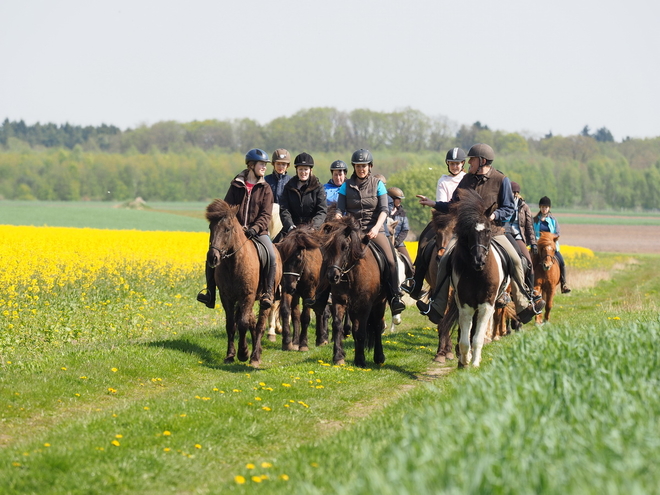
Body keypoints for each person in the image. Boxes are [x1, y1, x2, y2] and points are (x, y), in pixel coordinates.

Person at [417, 143, 545, 325]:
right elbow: (454, 205)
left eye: (472, 160)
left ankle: (523, 304)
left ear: (482, 161)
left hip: (494, 231)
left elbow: (509, 208)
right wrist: (434, 204)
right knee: (444, 258)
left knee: (516, 259)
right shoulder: (467, 180)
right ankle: (437, 305)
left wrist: (494, 215)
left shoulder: (501, 180)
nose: (468, 163)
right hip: (467, 233)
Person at [196, 148, 277, 309]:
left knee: (272, 255)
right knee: (212, 253)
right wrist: (234, 227)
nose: (264, 167)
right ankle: (210, 293)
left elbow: (266, 214)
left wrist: (255, 228)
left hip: (258, 232)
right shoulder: (236, 185)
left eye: (265, 164)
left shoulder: (266, 188)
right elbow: (226, 210)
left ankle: (268, 292)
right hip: (235, 232)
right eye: (261, 164)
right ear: (251, 165)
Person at [337, 149, 406, 316]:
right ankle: (324, 294)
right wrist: (338, 220)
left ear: (370, 166)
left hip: (375, 230)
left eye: (364, 166)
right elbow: (340, 209)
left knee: (390, 260)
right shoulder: (346, 186)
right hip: (352, 231)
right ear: (354, 167)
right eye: (358, 166)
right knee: (333, 254)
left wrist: (376, 228)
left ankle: (394, 296)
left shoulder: (378, 184)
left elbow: (384, 210)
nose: (361, 169)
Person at [402, 147, 466, 299]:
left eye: (457, 164)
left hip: (463, 220)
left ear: (463, 164)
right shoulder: (443, 180)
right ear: (447, 164)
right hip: (445, 220)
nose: (454, 166)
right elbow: (442, 203)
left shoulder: (467, 179)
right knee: (424, 240)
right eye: (452, 164)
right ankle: (416, 283)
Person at [279, 152, 327, 235]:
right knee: (275, 245)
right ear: (296, 170)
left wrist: (313, 227)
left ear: (310, 170)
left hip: (312, 228)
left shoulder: (318, 188)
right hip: (293, 228)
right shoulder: (288, 187)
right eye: (300, 169)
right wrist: (290, 225)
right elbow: (284, 210)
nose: (303, 172)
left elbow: (322, 211)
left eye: (305, 169)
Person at [533, 196, 571, 293]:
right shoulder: (535, 220)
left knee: (561, 261)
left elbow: (557, 233)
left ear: (549, 208)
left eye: (546, 207)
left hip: (551, 247)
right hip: (538, 247)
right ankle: (527, 284)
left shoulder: (553, 220)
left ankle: (564, 283)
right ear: (540, 207)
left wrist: (549, 240)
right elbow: (531, 232)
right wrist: (539, 241)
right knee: (529, 263)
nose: (544, 209)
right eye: (542, 207)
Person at [508, 181, 537, 293]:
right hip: (504, 235)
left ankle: (531, 292)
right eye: (512, 192)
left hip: (517, 236)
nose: (514, 194)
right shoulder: (501, 204)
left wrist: (533, 243)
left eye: (515, 192)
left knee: (529, 263)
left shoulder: (524, 207)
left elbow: (529, 226)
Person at [387, 187, 413, 266]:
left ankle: (411, 277)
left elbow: (405, 230)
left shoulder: (402, 213)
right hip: (385, 241)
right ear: (392, 199)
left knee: (409, 263)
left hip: (398, 243)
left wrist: (397, 242)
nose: (400, 201)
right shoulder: (384, 211)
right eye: (398, 199)